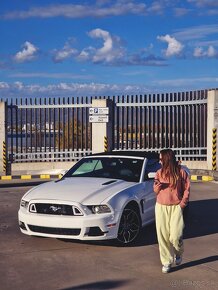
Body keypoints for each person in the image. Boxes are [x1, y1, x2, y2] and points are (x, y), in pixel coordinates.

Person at [153, 149, 190, 274]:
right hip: (161, 207)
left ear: (167, 158)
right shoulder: (159, 173)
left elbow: (187, 189)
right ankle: (166, 262)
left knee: (175, 236)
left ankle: (178, 253)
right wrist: (158, 186)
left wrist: (182, 204)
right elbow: (155, 190)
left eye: (161, 158)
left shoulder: (181, 172)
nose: (159, 161)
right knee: (162, 236)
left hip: (176, 207)